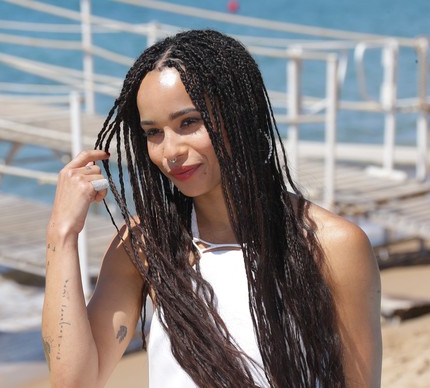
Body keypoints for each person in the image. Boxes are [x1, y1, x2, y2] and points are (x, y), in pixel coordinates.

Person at [42, 29, 382, 387]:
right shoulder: (146, 246)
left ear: (241, 116)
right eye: (153, 132)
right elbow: (74, 382)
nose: (169, 151)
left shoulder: (333, 245)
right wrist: (61, 234)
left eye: (188, 122)